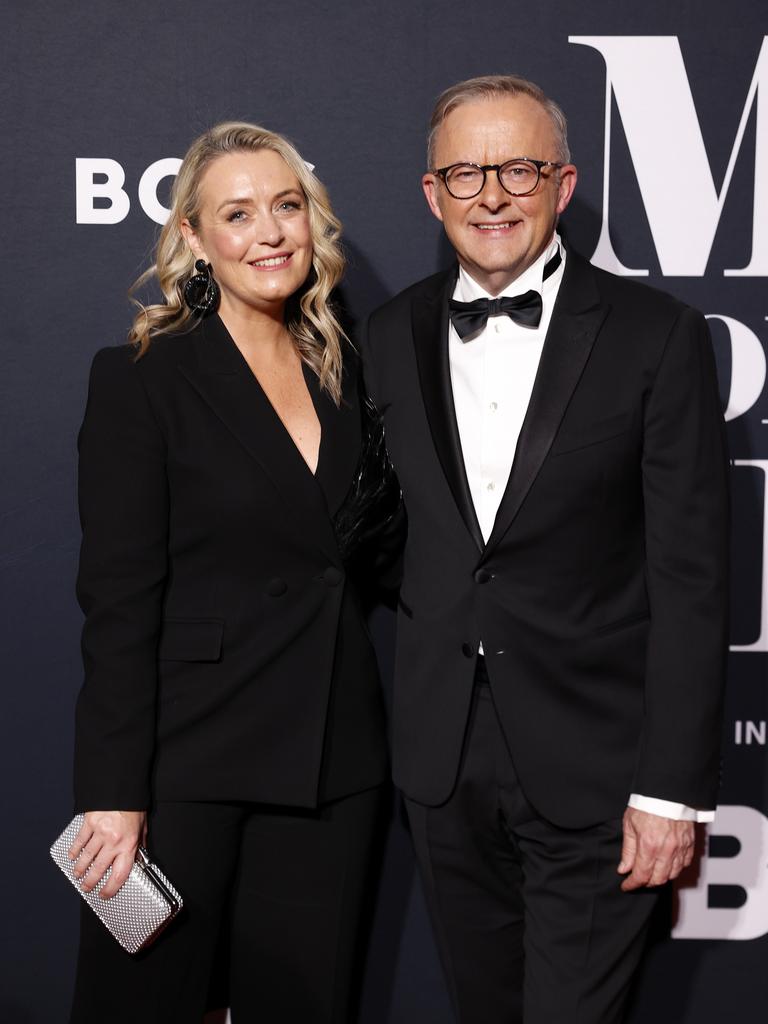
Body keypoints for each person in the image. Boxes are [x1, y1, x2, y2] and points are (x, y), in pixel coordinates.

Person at [362, 75, 729, 1024]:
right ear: (431, 192)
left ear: (563, 186)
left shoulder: (659, 336)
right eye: (465, 172)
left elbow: (692, 577)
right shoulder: (387, 335)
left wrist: (672, 790)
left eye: (518, 169)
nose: (492, 195)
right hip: (441, 770)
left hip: (603, 773)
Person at [67, 121, 391, 1024]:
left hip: (332, 765)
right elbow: (118, 604)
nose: (270, 232)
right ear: (196, 241)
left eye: (287, 206)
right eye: (237, 213)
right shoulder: (141, 378)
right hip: (182, 768)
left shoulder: (347, 372)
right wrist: (112, 795)